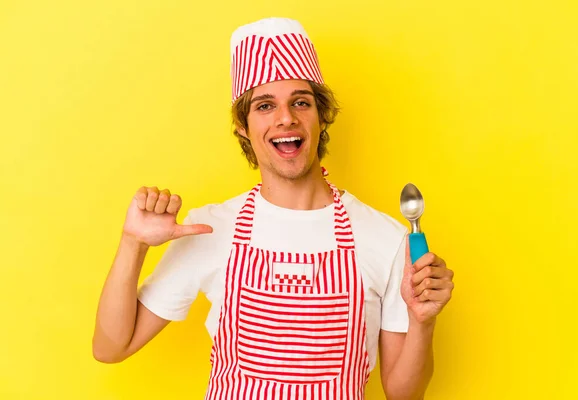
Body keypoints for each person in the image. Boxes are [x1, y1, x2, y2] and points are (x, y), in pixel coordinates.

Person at [92, 17, 455, 400]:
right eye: (265, 105)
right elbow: (111, 348)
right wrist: (133, 243)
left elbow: (403, 394)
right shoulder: (209, 229)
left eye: (301, 102)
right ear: (244, 129)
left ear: (321, 118)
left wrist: (422, 321)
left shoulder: (386, 237)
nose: (286, 117)